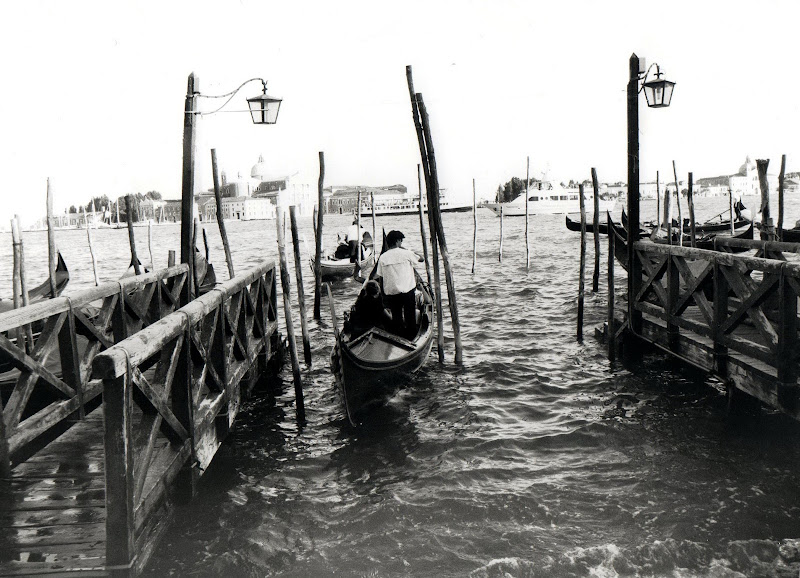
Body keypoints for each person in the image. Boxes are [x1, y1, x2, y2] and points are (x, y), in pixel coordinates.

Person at [373, 230, 423, 338]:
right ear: (397, 241)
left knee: (397, 318)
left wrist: (383, 294)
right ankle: (411, 337)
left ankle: (399, 339)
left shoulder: (383, 257)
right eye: (401, 241)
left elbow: (381, 278)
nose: (402, 244)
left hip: (391, 293)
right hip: (407, 291)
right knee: (410, 317)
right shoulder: (406, 253)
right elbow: (421, 259)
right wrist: (406, 250)